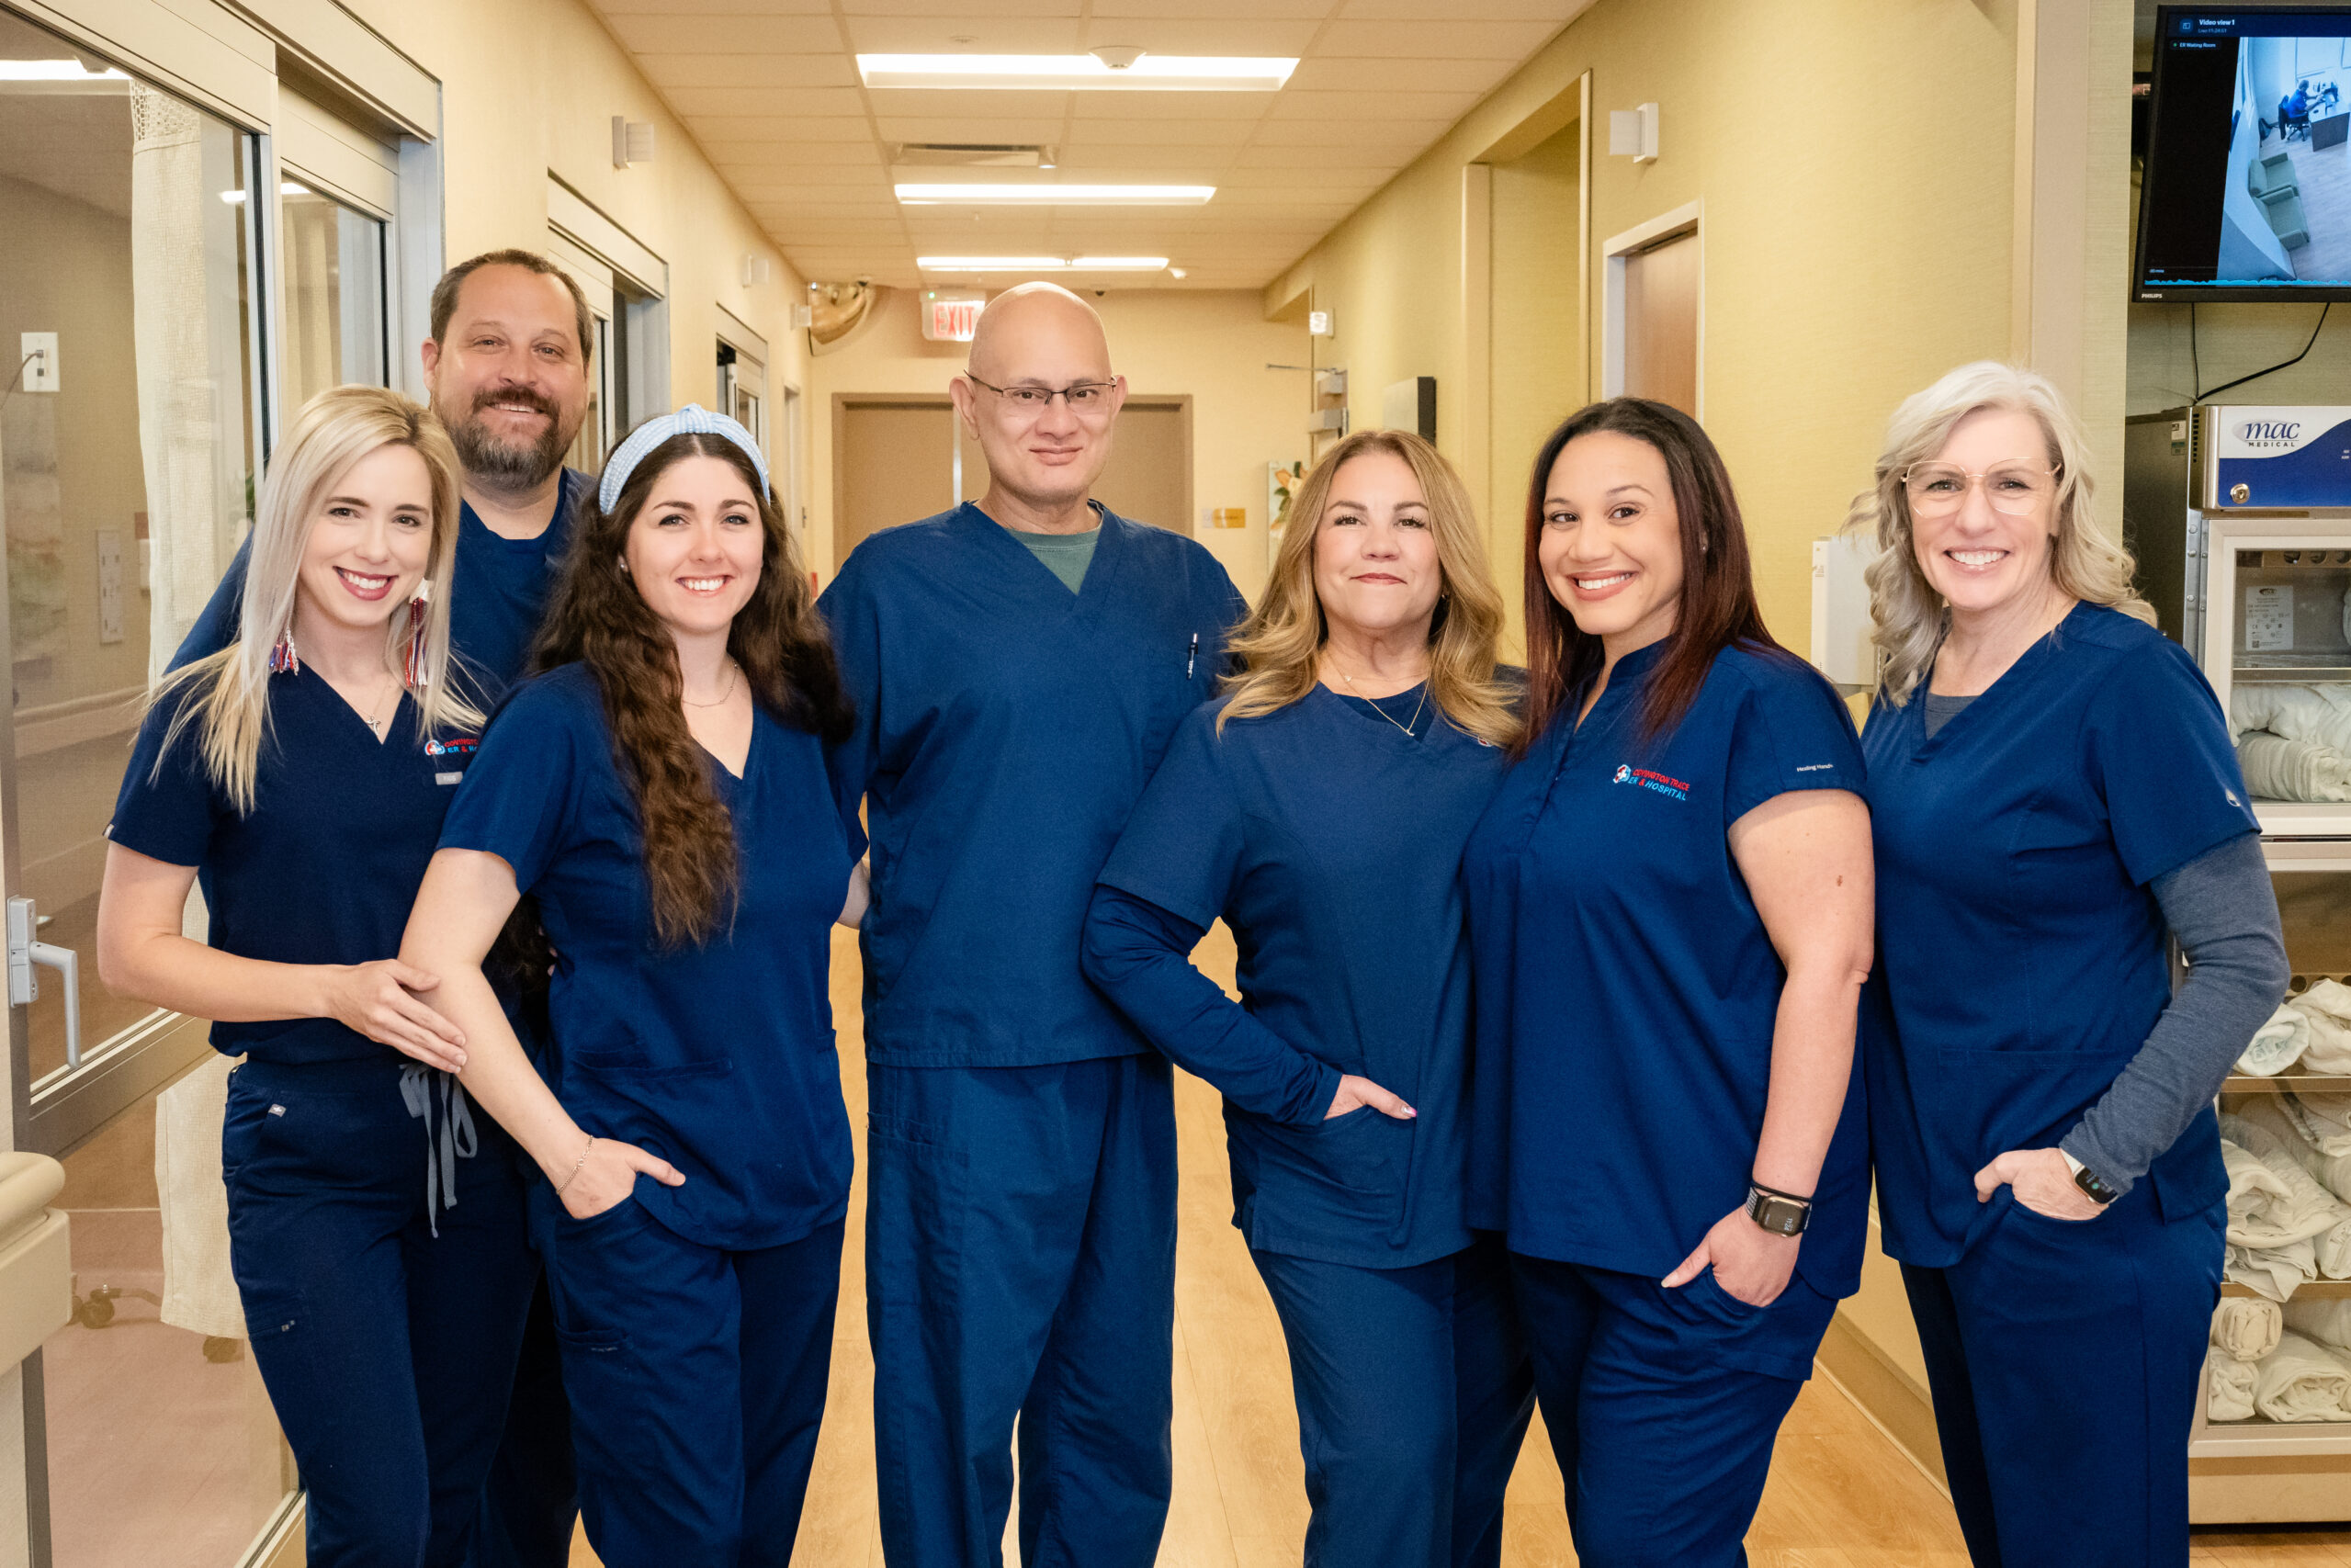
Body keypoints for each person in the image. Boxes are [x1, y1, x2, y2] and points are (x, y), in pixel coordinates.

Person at [174, 248, 600, 1568]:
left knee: (537, 1451)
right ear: (433, 364)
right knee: (393, 1496)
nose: (517, 374)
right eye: (489, 342)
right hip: (372, 1096)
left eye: (549, 348)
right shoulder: (325, 561)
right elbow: (226, 759)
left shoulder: (627, 549)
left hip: (579, 1072)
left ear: (585, 379)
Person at [819, 282, 1247, 1568]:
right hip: (960, 1056)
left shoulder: (1185, 585)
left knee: (1112, 1403)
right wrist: (873, 895)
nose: (1051, 418)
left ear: (1112, 402)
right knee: (950, 1400)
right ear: (968, 402)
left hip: (1127, 1048)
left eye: (1078, 391)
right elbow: (788, 792)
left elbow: (1274, 773)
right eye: (1021, 390)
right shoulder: (891, 584)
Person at [400, 405, 862, 1566]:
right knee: (676, 1537)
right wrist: (571, 1158)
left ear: (769, 544)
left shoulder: (797, 719)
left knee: (758, 1528)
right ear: (618, 546)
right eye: (673, 519)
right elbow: (434, 960)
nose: (708, 546)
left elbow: (835, 896)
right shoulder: (557, 726)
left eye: (733, 518)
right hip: (643, 1195)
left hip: (798, 1187)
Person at [1850, 363, 2287, 1568]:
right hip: (1950, 1203)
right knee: (2010, 1535)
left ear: (2057, 502)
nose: (1971, 514)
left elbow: (2245, 960)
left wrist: (2090, 1163)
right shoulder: (1903, 682)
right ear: (1900, 504)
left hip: (2083, 1214)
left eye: (2006, 481)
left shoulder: (2123, 682)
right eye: (1939, 482)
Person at [95, 385, 537, 1568]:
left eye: (407, 520)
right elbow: (130, 947)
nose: (376, 549)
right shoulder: (214, 712)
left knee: (457, 1504)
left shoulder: (473, 708)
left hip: (473, 1154)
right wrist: (329, 988)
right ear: (292, 516)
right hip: (311, 1156)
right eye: (346, 511)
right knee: (377, 1524)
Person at [1079, 430, 1532, 1568]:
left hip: (1515, 1183)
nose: (1379, 544)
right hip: (1342, 1185)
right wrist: (1296, 1087)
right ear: (1306, 550)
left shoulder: (1522, 722)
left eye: (1411, 519)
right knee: (1385, 1481)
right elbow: (1124, 939)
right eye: (1349, 518)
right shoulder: (1241, 740)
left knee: (1468, 1495)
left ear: (1449, 554)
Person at [1461, 398, 1876, 1566]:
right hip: (1560, 1230)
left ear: (1700, 528)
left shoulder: (1765, 700)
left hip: (1709, 1235)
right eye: (1561, 517)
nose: (1587, 545)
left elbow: (1832, 965)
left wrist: (1775, 1213)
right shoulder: (1559, 706)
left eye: (1625, 511)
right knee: (1631, 1541)